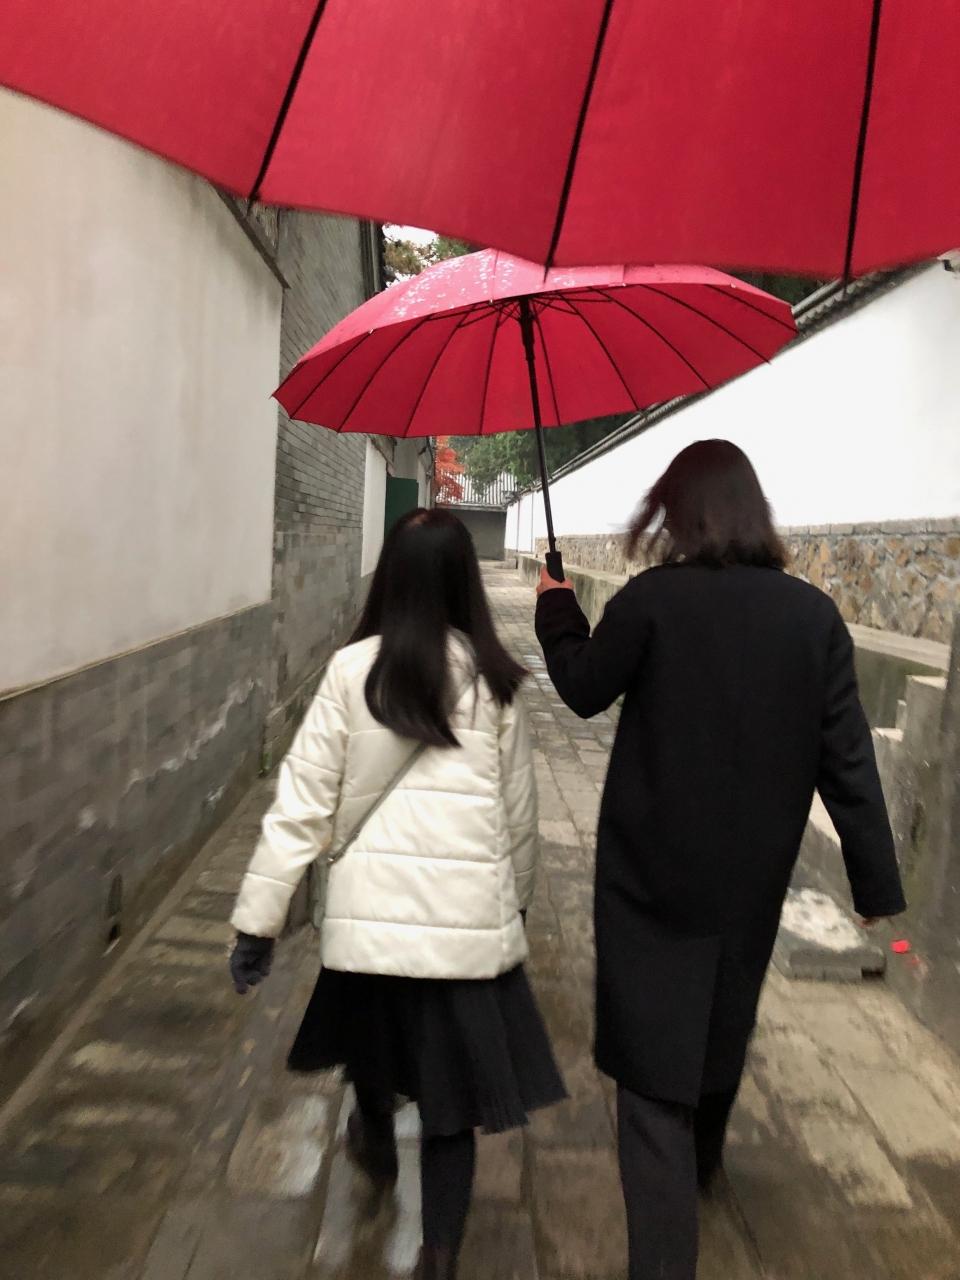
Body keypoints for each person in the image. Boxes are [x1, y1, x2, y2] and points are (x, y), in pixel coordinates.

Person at [535, 440, 905, 1280]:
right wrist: (874, 884)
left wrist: (557, 612)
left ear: (680, 514)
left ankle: (669, 1225)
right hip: (749, 879)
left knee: (650, 1083)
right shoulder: (814, 619)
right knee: (718, 1029)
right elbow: (848, 759)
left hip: (648, 879)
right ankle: (701, 1164)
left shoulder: (652, 601)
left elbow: (583, 686)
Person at [228, 508, 565, 1280]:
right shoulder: (496, 681)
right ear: (466, 582)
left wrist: (258, 922)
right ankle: (439, 1255)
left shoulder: (351, 673)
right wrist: (513, 905)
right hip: (464, 933)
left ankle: (373, 1139)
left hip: (367, 930)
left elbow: (302, 804)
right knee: (452, 1110)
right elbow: (519, 814)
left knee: (372, 1052)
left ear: (390, 578)